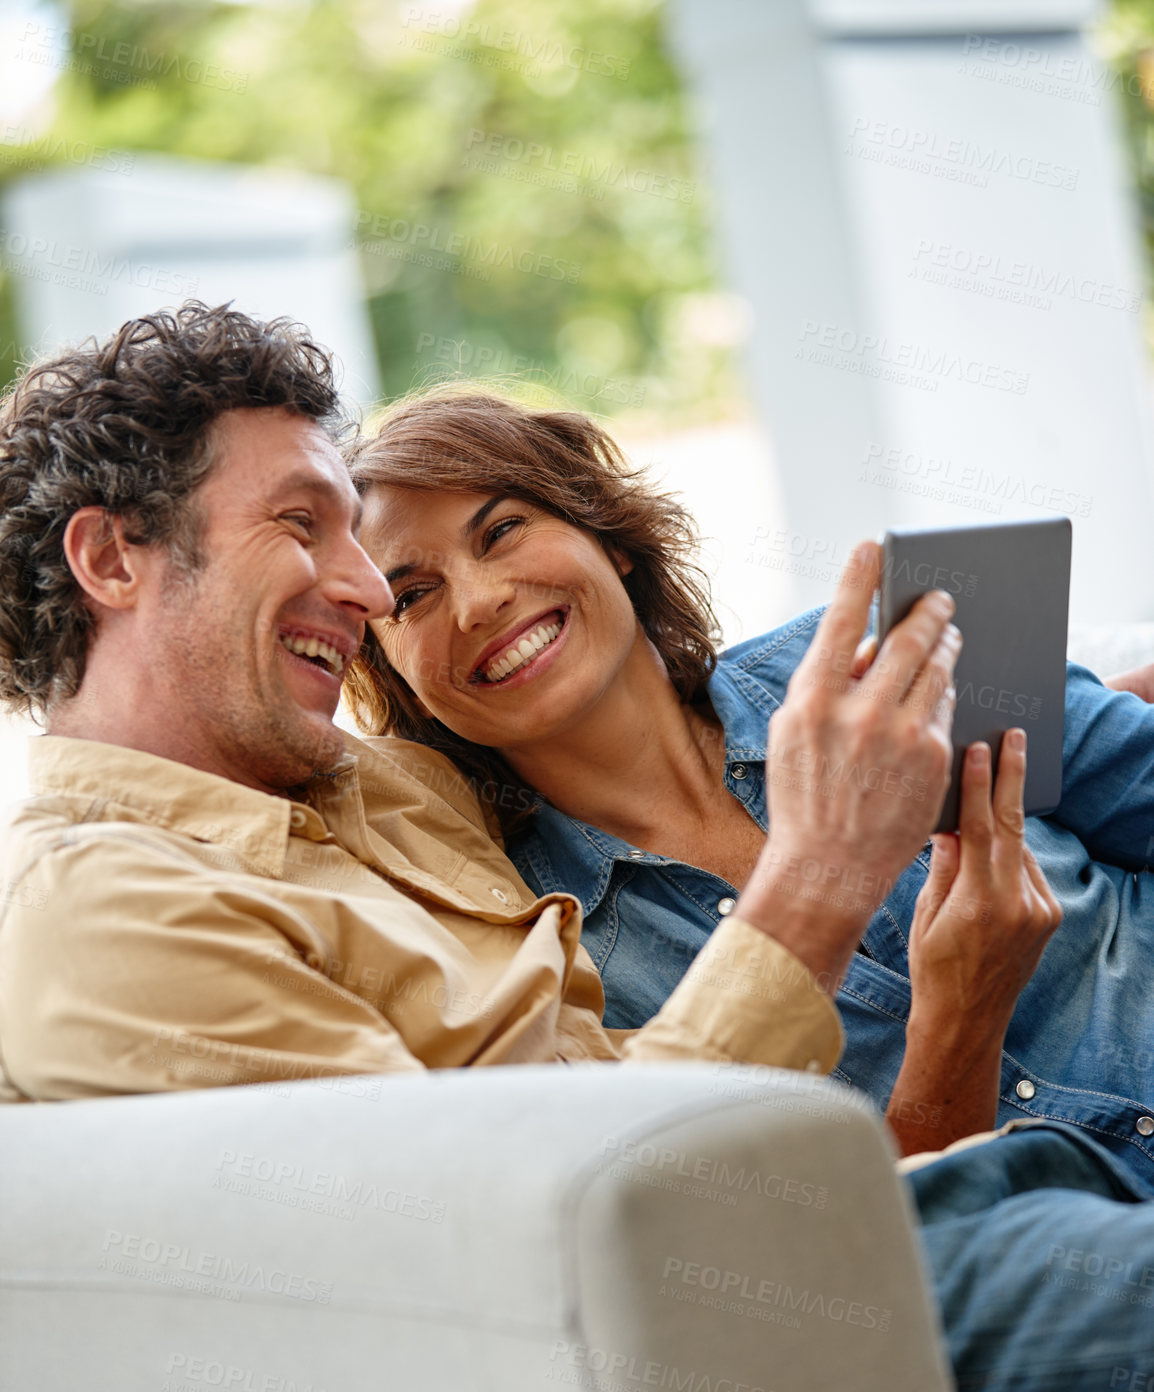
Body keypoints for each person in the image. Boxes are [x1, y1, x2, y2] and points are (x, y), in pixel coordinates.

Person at [0, 304, 1147, 1392]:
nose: (365, 593)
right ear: (108, 558)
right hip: (726, 1305)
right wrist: (824, 876)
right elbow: (532, 1250)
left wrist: (1077, 699)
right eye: (303, 525)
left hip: (951, 1199)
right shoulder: (107, 914)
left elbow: (622, 708)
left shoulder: (368, 788)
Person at [346, 389, 1154, 1186]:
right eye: (413, 597)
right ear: (399, 679)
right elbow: (844, 1256)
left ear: (608, 537)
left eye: (503, 530)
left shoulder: (877, 661)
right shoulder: (555, 971)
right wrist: (959, 1022)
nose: (479, 602)